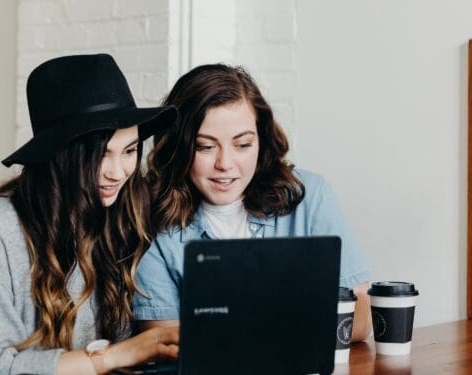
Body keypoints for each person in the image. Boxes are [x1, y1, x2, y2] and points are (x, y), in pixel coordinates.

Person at [0, 54, 180, 374]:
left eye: (130, 151)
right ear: (60, 155)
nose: (118, 172)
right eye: (100, 155)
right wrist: (116, 356)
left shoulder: (118, 217)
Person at [133, 64, 373, 342]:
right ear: (179, 147)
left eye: (243, 144)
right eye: (205, 147)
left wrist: (238, 330)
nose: (225, 164)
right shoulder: (152, 220)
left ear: (261, 141)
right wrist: (292, 320)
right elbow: (162, 340)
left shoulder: (310, 196)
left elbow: (360, 317)